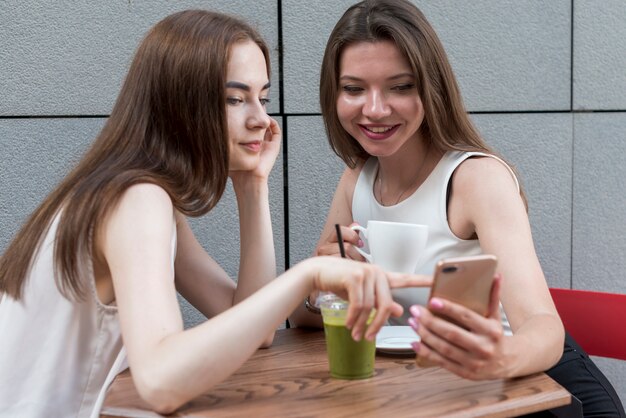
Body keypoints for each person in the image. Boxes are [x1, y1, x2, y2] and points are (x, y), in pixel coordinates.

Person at [0, 9, 429, 417]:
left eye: (262, 98)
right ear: (178, 104)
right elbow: (161, 381)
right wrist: (309, 274)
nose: (261, 119)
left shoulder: (135, 193)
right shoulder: (136, 200)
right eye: (234, 99)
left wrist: (253, 186)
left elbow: (255, 330)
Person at [290, 0, 625, 416]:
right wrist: (323, 289)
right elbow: (306, 319)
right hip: (434, 393)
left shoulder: (476, 179)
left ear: (431, 89)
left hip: (540, 392)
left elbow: (544, 326)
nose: (374, 109)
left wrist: (497, 359)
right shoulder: (355, 180)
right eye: (354, 88)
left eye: (400, 86)